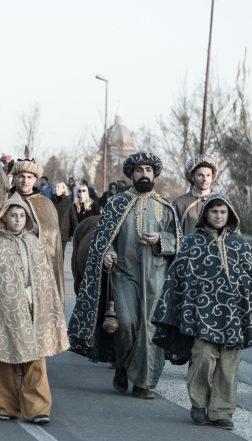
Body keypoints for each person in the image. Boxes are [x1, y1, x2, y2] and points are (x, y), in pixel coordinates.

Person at [152, 194, 252, 430]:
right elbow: (178, 279)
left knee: (229, 365)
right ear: (205, 214)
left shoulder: (240, 244)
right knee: (203, 358)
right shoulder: (192, 243)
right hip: (203, 317)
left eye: (223, 212)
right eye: (214, 212)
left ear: (229, 214)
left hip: (233, 318)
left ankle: (221, 411)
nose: (219, 216)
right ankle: (199, 403)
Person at [68, 152, 180, 399]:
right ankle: (121, 364)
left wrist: (162, 239)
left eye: (148, 170)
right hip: (123, 274)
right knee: (127, 325)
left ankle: (143, 384)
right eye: (139, 170)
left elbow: (178, 242)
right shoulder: (117, 204)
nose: (144, 174)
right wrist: (107, 253)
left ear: (154, 174)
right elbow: (102, 239)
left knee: (150, 330)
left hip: (156, 277)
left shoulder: (166, 206)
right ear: (131, 175)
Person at [0, 194, 69, 424]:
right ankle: (5, 407)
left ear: (27, 219)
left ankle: (38, 408)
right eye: (13, 215)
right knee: (2, 358)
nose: (18, 219)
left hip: (33, 311)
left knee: (35, 359)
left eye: (22, 216)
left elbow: (46, 280)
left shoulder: (35, 244)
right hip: (4, 312)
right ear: (5, 218)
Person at [5, 147, 65, 306]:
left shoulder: (46, 204)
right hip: (9, 265)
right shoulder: (3, 201)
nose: (25, 180)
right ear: (15, 178)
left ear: (35, 179)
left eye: (29, 177)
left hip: (36, 265)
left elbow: (53, 238)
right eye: (21, 176)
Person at [173, 154, 219, 236]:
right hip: (188, 248)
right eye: (200, 175)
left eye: (208, 175)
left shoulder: (221, 201)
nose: (205, 179)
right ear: (193, 177)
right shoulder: (179, 204)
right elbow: (171, 234)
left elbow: (233, 234)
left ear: (212, 177)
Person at [51, 181, 78, 257]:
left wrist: (77, 231)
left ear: (63, 189)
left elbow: (73, 217)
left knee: (60, 254)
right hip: (52, 232)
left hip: (64, 233)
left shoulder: (68, 203)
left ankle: (60, 269)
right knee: (51, 254)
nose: (56, 188)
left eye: (58, 187)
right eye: (55, 187)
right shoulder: (50, 201)